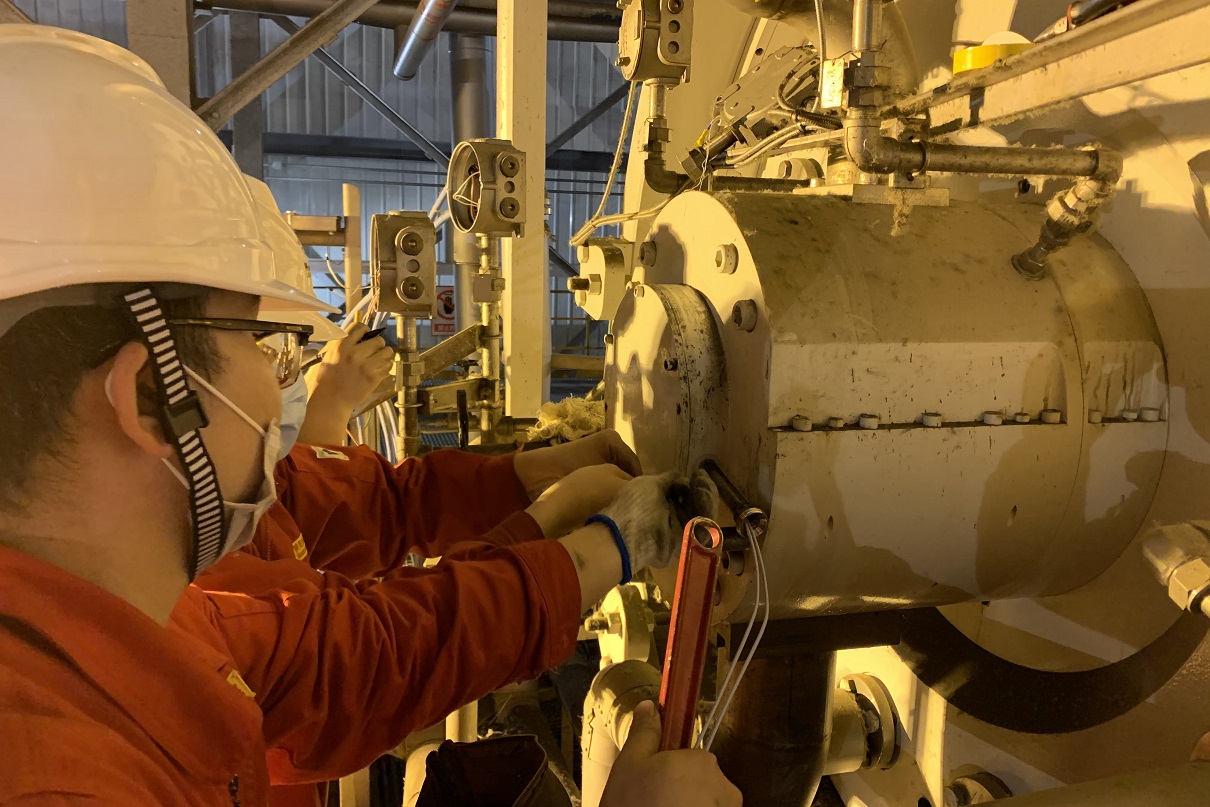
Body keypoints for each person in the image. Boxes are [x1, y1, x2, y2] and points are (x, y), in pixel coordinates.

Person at [0, 25, 741, 807]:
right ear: (153, 395)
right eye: (264, 345)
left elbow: (362, 656)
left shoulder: (139, 625)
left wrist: (555, 518)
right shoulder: (58, 777)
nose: (279, 389)